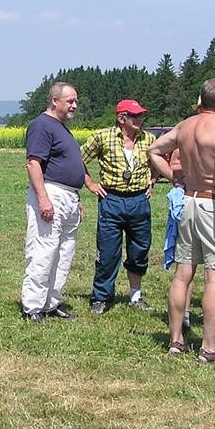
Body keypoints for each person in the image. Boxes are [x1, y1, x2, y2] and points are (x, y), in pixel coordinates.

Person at [147, 78, 215, 365]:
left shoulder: (185, 126)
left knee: (183, 274)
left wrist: (174, 177)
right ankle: (208, 349)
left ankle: (176, 341)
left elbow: (153, 150)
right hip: (213, 204)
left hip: (189, 201)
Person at [81, 98, 157, 314]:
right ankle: (101, 297)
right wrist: (90, 184)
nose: (140, 119)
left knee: (139, 250)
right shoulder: (102, 137)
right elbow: (78, 159)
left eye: (141, 115)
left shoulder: (149, 139)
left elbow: (159, 161)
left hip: (139, 200)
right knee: (108, 252)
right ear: (121, 118)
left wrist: (152, 181)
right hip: (111, 200)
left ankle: (135, 296)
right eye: (135, 116)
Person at [21, 82, 85, 322]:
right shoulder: (42, 125)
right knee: (43, 250)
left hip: (68, 196)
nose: (74, 106)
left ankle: (51, 302)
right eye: (70, 101)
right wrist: (43, 199)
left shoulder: (61, 128)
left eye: (75, 101)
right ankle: (33, 307)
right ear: (54, 101)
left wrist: (76, 199)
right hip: (51, 193)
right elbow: (33, 163)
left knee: (63, 252)